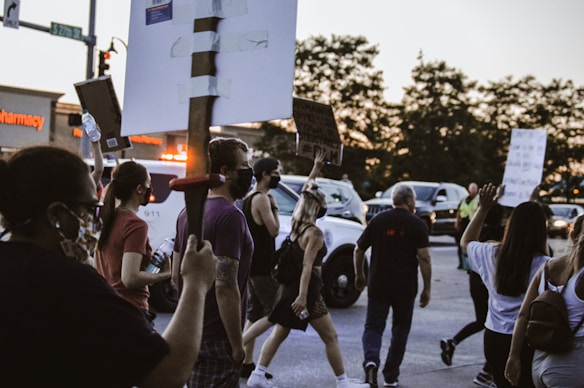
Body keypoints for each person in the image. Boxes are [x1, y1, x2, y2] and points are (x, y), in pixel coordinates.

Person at [0, 146, 216, 387]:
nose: (94, 220)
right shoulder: (70, 282)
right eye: (89, 209)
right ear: (57, 215)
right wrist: (195, 284)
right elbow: (168, 373)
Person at [247, 151, 368, 388]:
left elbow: (306, 193)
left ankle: (257, 375)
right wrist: (303, 297)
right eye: (323, 203)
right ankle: (342, 382)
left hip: (294, 287)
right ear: (317, 207)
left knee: (279, 331)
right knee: (330, 336)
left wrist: (316, 168)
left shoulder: (296, 224)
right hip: (309, 290)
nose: (326, 206)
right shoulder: (315, 233)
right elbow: (307, 268)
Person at [174, 137, 254, 388]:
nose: (248, 171)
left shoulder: (187, 212)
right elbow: (225, 286)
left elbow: (177, 275)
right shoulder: (231, 216)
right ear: (224, 172)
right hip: (217, 338)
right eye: (244, 165)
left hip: (192, 330)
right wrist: (237, 345)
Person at [461, 183, 551, 388]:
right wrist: (533, 202)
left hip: (494, 337)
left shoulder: (490, 254)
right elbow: (546, 254)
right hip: (529, 338)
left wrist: (483, 208)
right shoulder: (545, 265)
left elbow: (466, 242)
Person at [354, 182, 432, 388]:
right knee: (400, 329)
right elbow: (424, 258)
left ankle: (371, 361)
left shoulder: (379, 220)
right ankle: (390, 375)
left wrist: (360, 275)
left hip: (378, 283)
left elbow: (358, 250)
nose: (415, 203)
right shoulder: (417, 225)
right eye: (413, 199)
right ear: (408, 200)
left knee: (373, 326)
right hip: (405, 287)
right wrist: (427, 288)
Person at [505, 214, 584, 387]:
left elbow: (523, 315)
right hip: (573, 363)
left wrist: (513, 356)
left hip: (540, 359)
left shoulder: (547, 268)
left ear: (572, 236)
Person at [95, 160, 171, 325]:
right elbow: (129, 278)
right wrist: (163, 275)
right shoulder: (135, 224)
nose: (151, 188)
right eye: (149, 183)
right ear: (139, 189)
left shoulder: (107, 218)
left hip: (107, 307)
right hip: (130, 311)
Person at [241, 158, 281, 378]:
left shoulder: (248, 198)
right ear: (265, 174)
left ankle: (246, 364)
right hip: (262, 265)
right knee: (276, 312)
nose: (278, 176)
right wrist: (274, 207)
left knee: (254, 314)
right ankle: (237, 347)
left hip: (252, 263)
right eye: (275, 172)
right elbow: (274, 230)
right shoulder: (262, 199)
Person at [455, 182, 479, 269]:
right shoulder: (464, 199)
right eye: (471, 189)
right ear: (469, 189)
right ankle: (461, 263)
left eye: (474, 189)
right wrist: (457, 222)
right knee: (460, 244)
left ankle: (470, 263)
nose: (472, 191)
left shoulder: (478, 199)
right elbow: (459, 211)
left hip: (472, 222)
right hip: (463, 222)